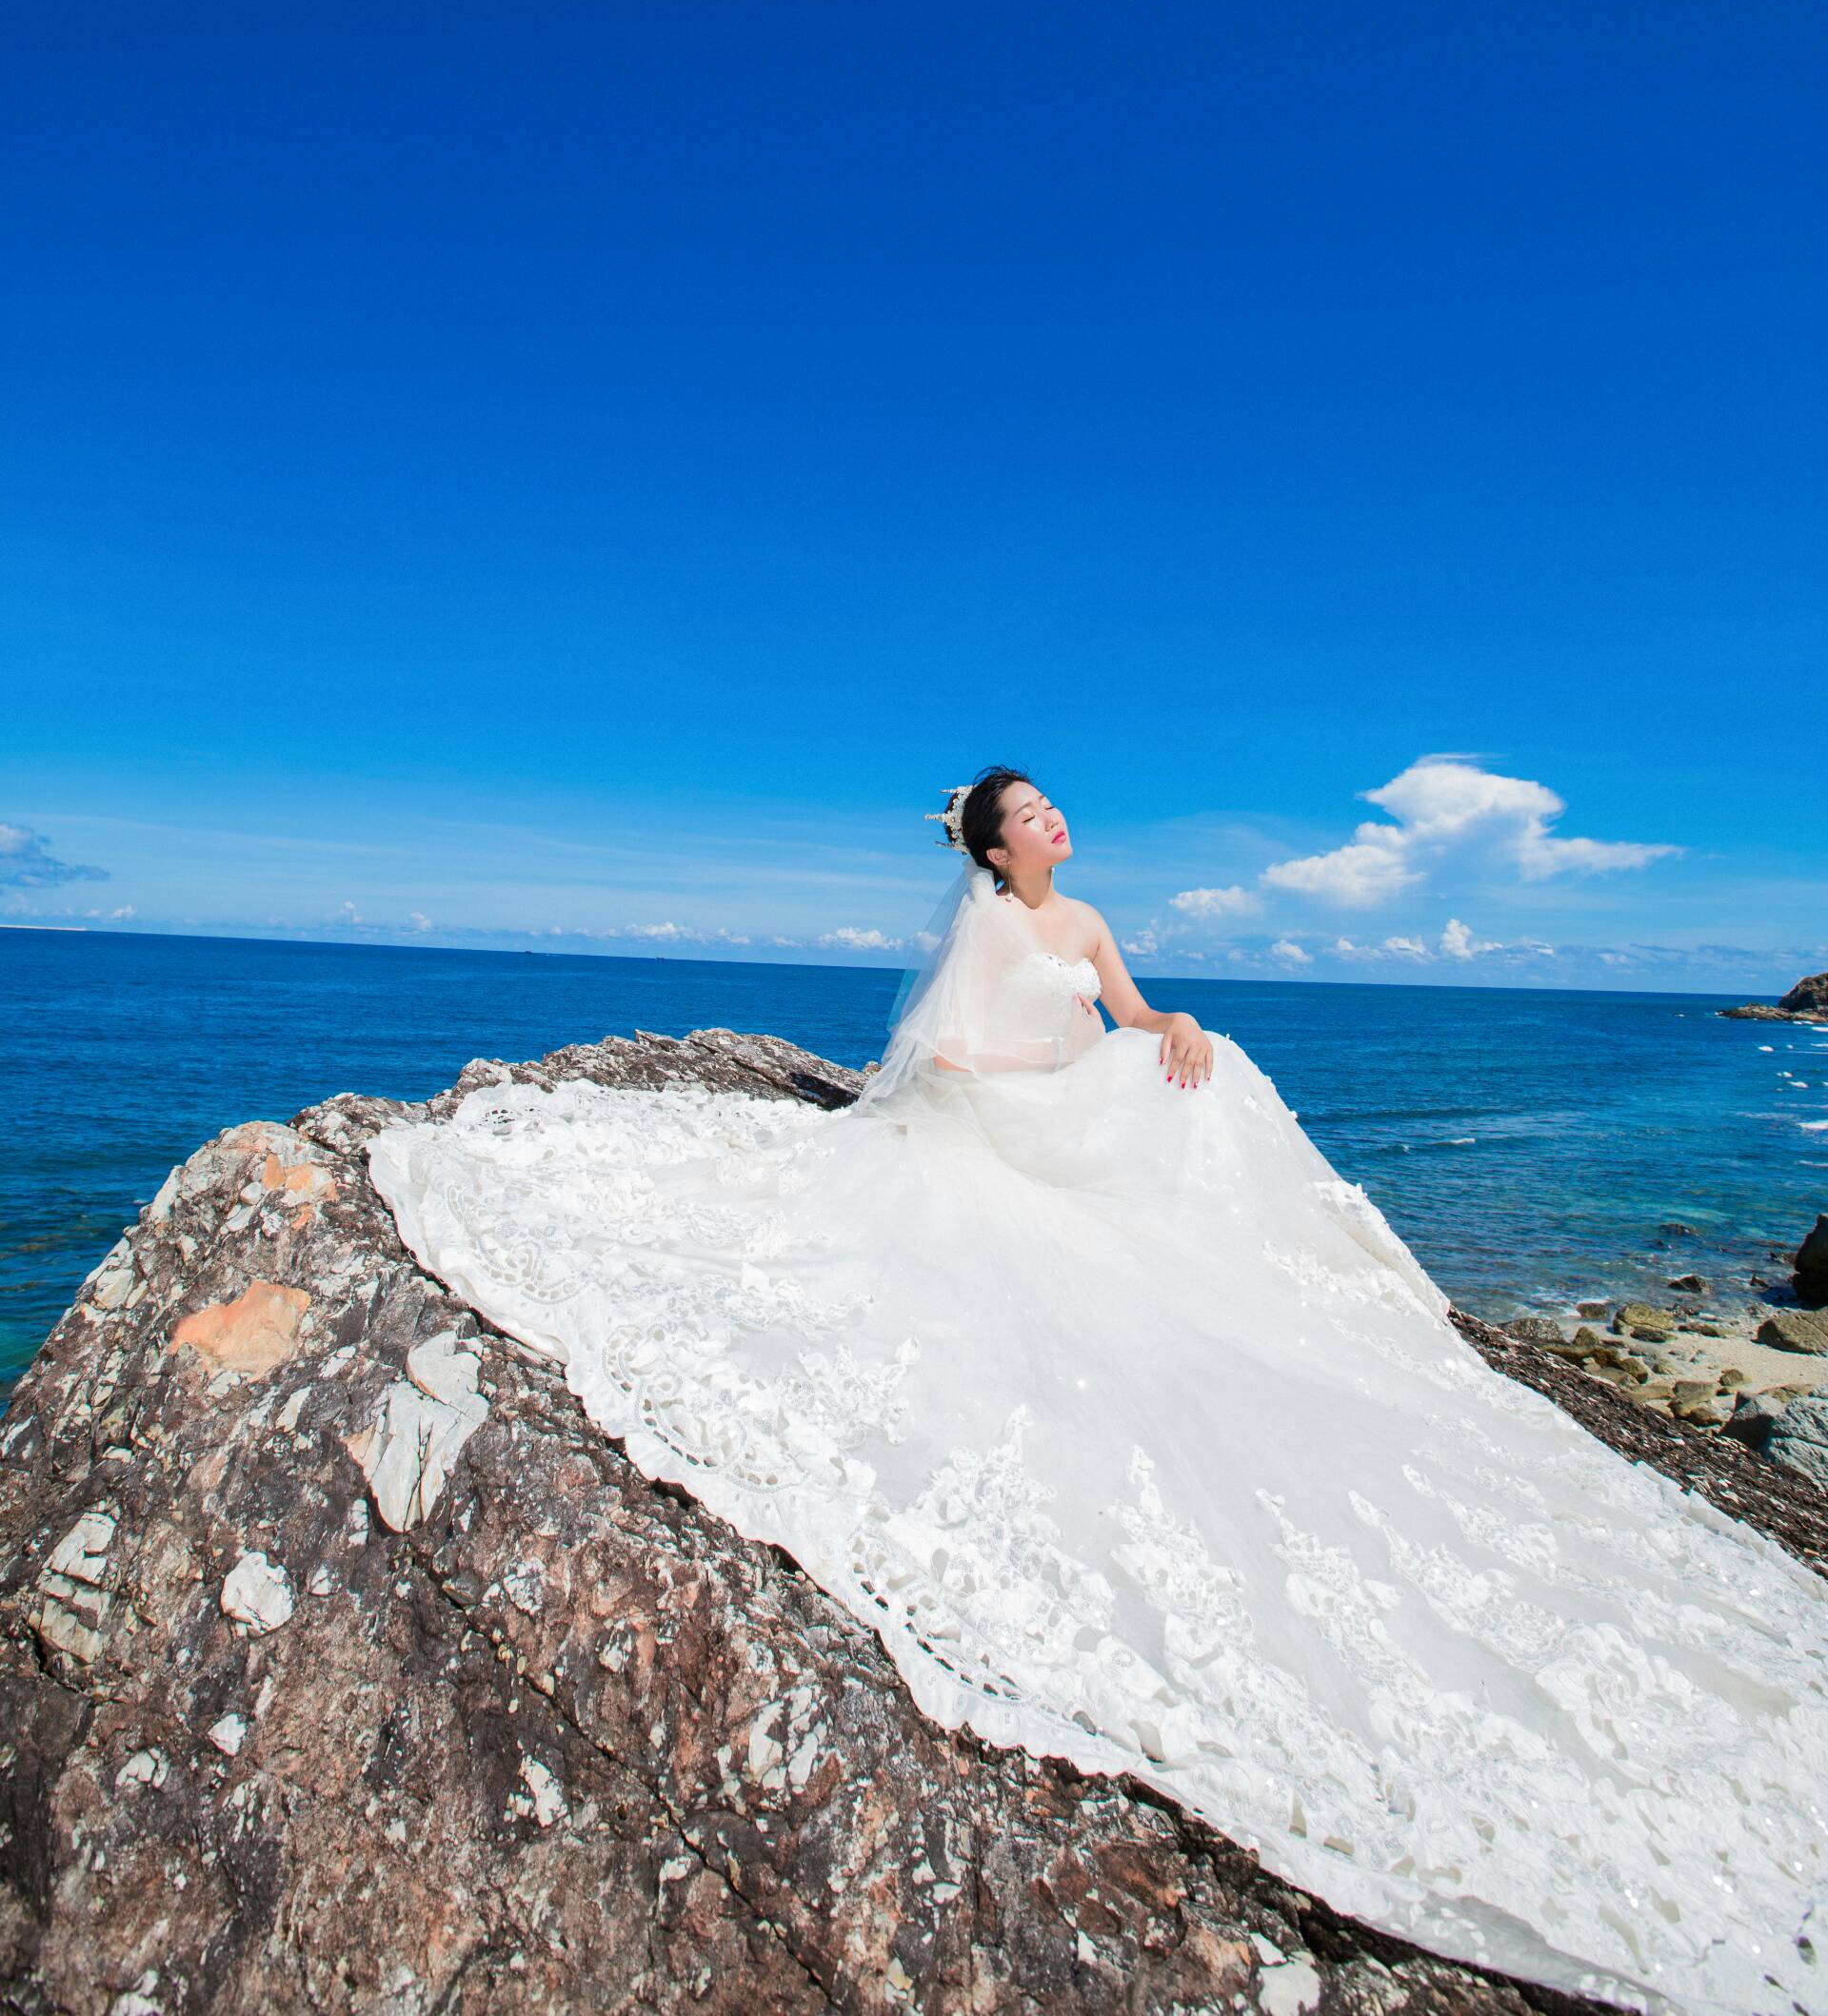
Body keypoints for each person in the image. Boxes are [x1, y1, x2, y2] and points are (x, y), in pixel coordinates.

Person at [369, 768, 1828, 2013]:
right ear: (992, 847)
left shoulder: (1090, 921)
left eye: (1054, 808)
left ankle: (1270, 1267)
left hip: (1073, 1104)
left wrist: (1171, 1026)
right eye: (1030, 815)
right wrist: (1050, 1069)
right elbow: (944, 1052)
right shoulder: (988, 926)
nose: (1054, 823)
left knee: (1213, 1060)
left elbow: (1126, 1014)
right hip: (993, 1124)